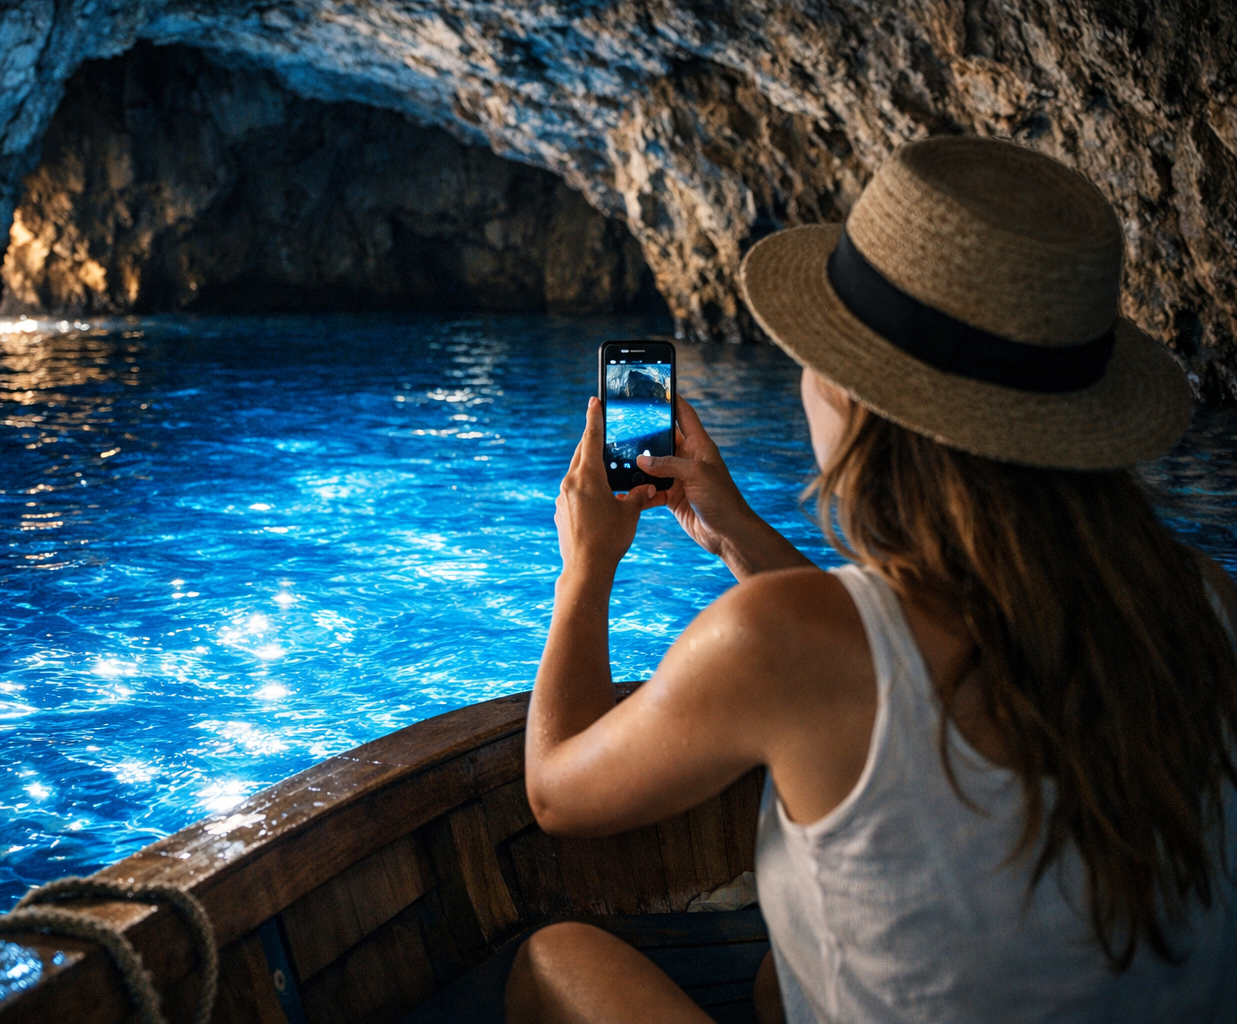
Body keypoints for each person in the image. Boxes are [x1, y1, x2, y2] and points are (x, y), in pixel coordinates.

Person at [505, 137, 1237, 1023]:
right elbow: (882, 650)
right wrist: (732, 528)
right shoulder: (1207, 601)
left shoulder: (779, 643)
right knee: (778, 984)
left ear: (853, 399)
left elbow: (555, 794)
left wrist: (586, 566)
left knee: (553, 963)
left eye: (814, 356)